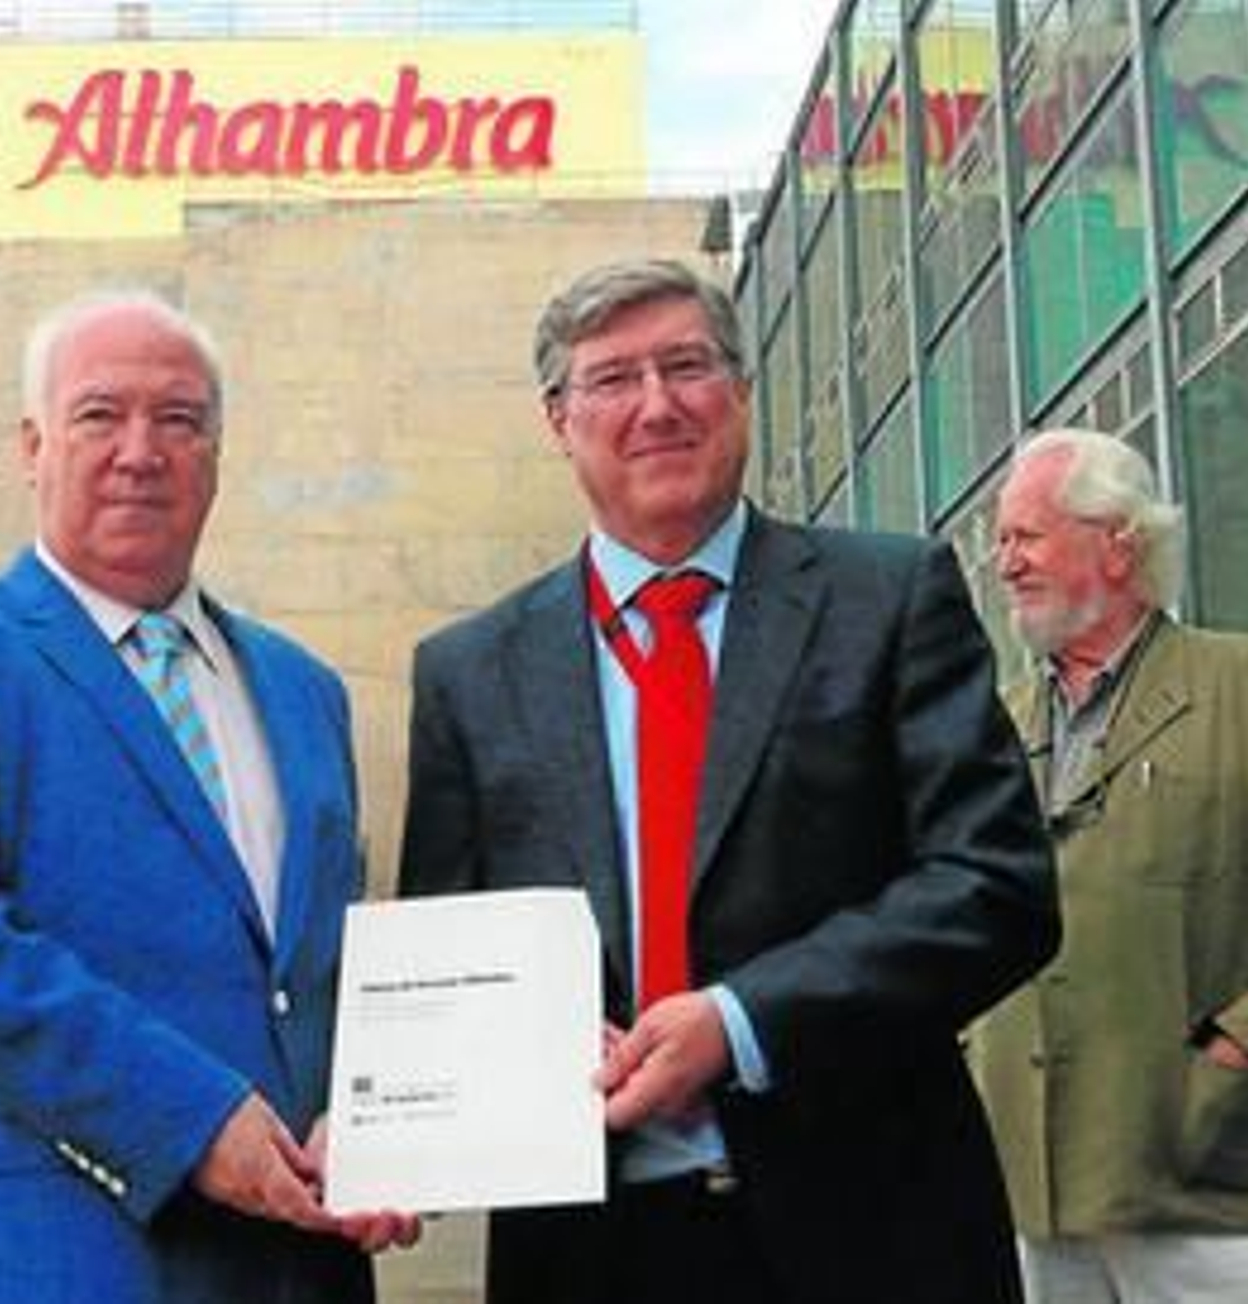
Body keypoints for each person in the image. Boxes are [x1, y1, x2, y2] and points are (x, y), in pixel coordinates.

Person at [398, 258, 1060, 1304]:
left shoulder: (886, 597)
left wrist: (741, 1018)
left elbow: (996, 886)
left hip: (873, 1225)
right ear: (556, 419)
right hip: (587, 1248)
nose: (656, 404)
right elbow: (449, 943)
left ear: (741, 392)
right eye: (612, 379)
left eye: (686, 365)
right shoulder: (469, 671)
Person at [0, 291, 414, 1304]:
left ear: (216, 455)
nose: (141, 450)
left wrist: (383, 1119)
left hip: (294, 1260)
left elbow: (321, 966)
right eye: (100, 414)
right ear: (32, 445)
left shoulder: (305, 690)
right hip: (32, 1256)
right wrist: (185, 1117)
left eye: (179, 420)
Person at [972, 427, 1248, 1302]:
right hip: (1031, 1184)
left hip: (1202, 1180)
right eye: (999, 542)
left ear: (1119, 542)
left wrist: (1237, 1047)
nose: (1003, 564)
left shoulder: (1241, 686)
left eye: (1026, 536)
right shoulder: (989, 726)